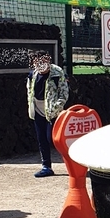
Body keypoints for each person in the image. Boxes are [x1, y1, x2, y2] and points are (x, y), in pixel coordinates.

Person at [26, 50, 69, 178]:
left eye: (43, 60)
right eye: (37, 61)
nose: (40, 64)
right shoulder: (32, 75)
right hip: (38, 111)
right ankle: (46, 166)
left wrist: (57, 107)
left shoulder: (57, 73)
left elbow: (64, 93)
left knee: (54, 139)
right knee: (42, 139)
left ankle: (71, 162)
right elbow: (29, 91)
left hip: (53, 112)